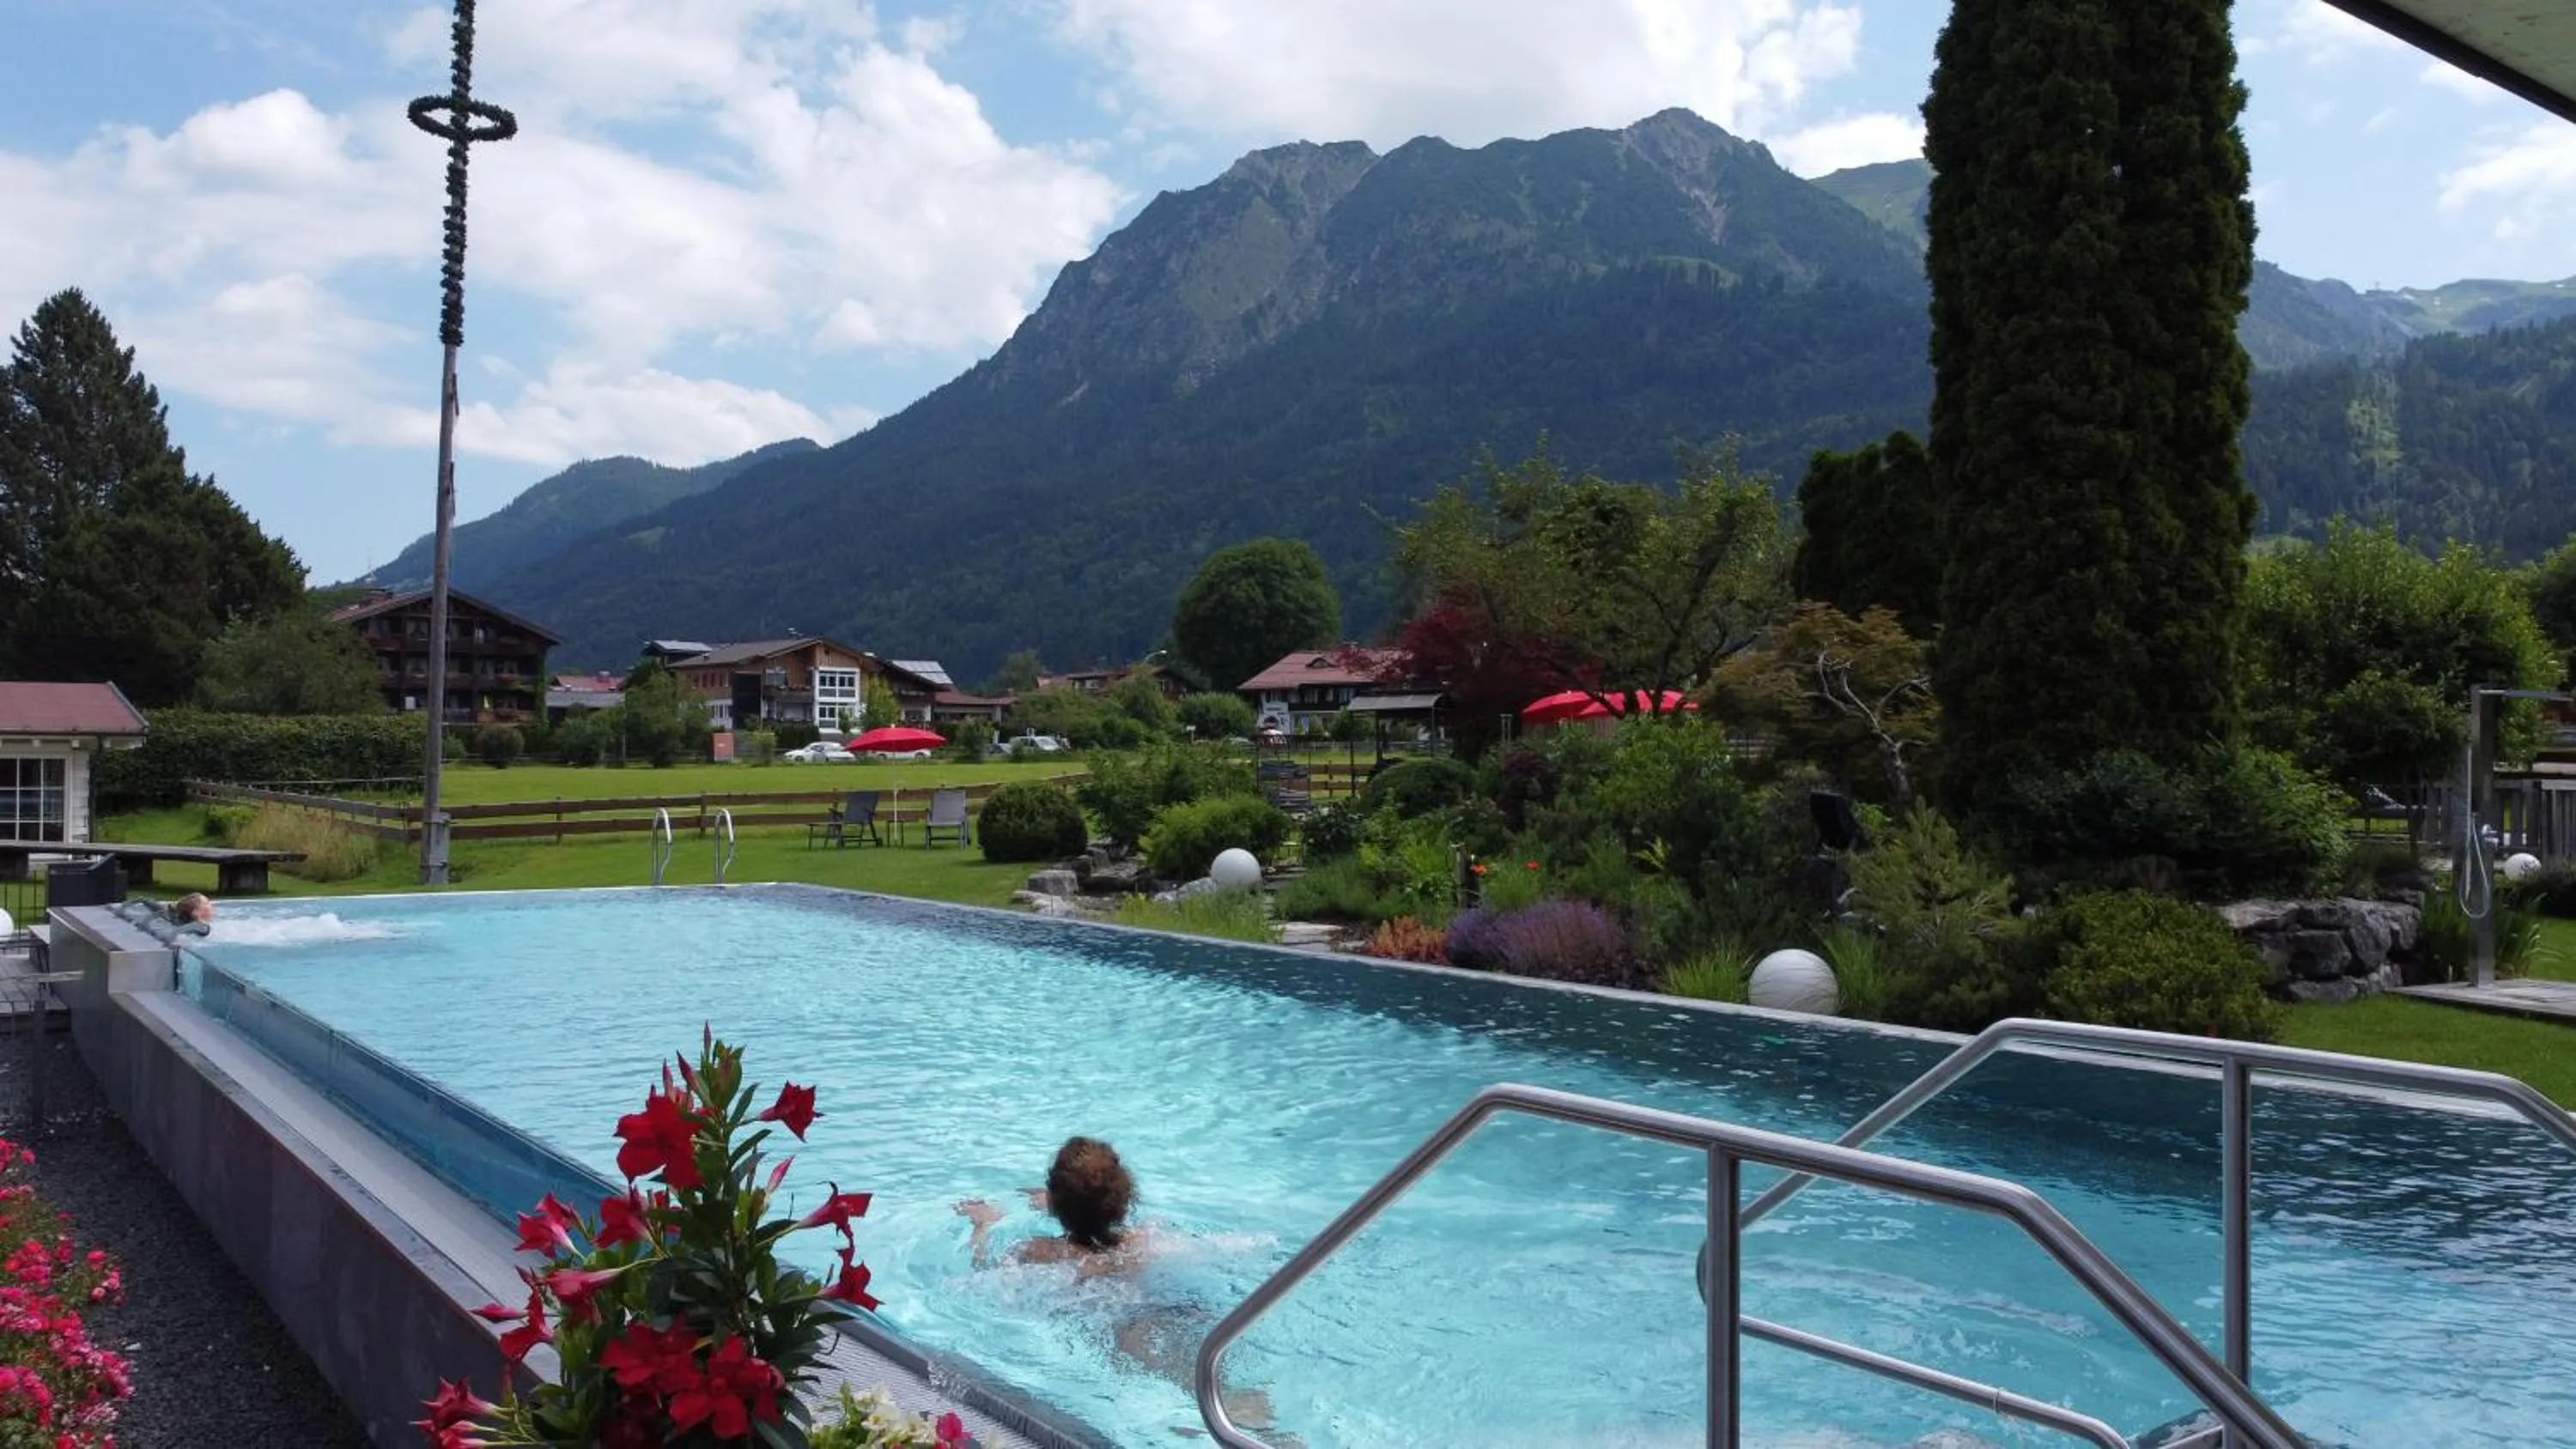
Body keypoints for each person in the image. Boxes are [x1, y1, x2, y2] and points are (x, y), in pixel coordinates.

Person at [957, 1138, 1287, 1439]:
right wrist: (1064, 1200)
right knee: (1223, 1392)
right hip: (1178, 1307)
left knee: (1204, 1395)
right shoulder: (1149, 1237)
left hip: (1128, 1326)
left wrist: (983, 1225)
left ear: (1057, 1204)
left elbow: (984, 1275)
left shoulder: (1038, 1253)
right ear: (1125, 1199)